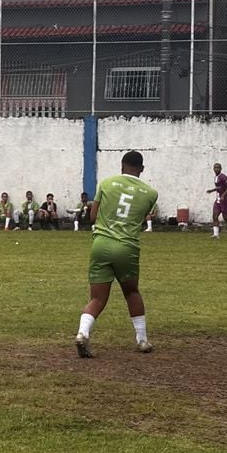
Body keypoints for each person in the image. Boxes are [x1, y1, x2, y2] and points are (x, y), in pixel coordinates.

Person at [74, 151, 159, 359]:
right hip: (126, 246)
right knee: (131, 292)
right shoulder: (150, 193)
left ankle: (82, 333)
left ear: (121, 167)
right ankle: (142, 339)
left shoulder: (105, 183)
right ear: (142, 169)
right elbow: (141, 218)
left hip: (100, 244)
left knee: (97, 297)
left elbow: (93, 216)